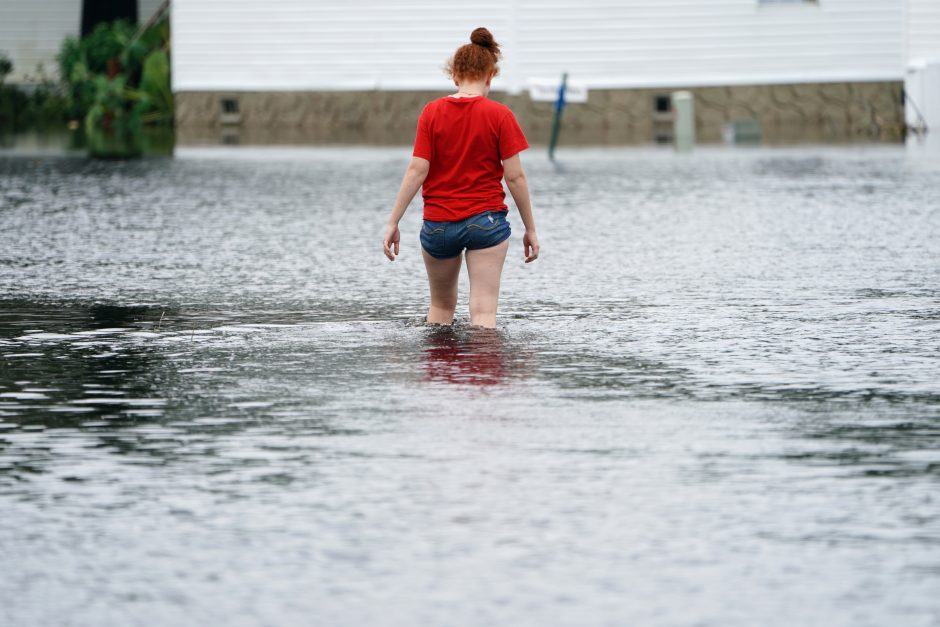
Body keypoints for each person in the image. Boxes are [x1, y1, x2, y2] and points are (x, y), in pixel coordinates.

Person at [382, 27, 539, 329]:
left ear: (454, 75)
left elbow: (417, 170)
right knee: (483, 314)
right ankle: (482, 374)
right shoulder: (500, 115)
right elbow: (515, 177)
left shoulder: (432, 112)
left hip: (439, 224)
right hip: (487, 223)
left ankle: (442, 374)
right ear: (490, 76)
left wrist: (393, 221)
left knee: (440, 310)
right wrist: (530, 228)